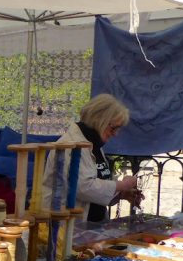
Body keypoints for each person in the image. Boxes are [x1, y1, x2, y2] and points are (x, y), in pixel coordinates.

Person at [41, 93, 141, 222]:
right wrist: (121, 185)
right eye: (113, 128)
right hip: (65, 228)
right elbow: (83, 187)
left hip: (92, 226)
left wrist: (120, 194)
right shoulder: (69, 145)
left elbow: (98, 187)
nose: (115, 134)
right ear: (99, 120)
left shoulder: (94, 145)